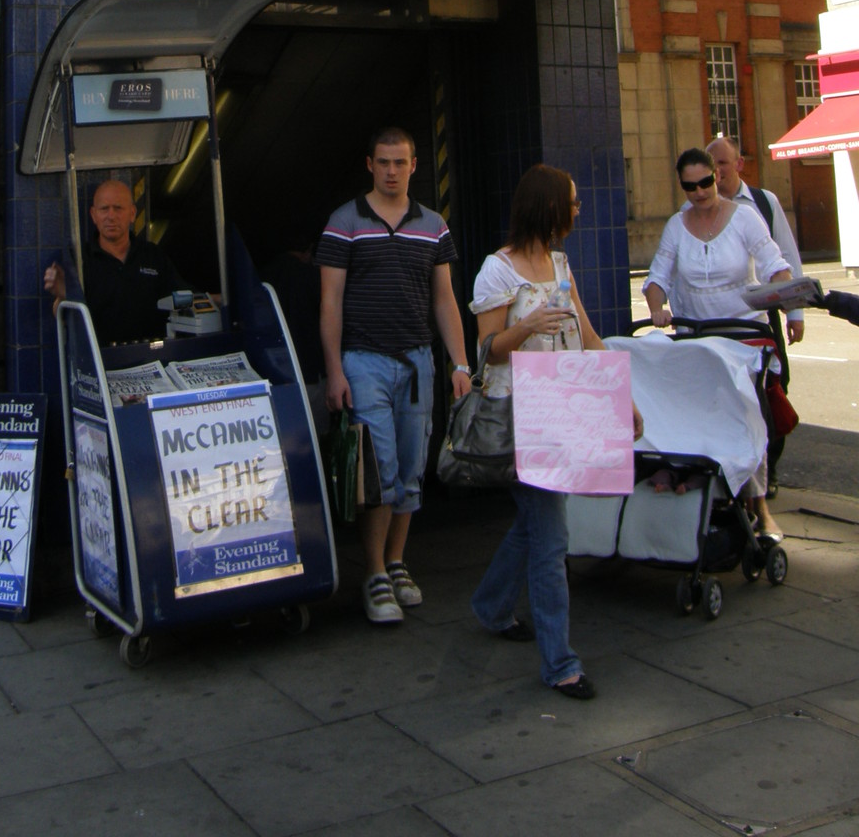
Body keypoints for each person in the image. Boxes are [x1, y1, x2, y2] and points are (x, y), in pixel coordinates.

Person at [469, 164, 642, 702]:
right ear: (548, 206)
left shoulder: (560, 264)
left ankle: (492, 606)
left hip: (562, 412)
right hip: (522, 417)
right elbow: (488, 350)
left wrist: (623, 399)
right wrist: (527, 325)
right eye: (572, 200)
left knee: (535, 524)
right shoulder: (496, 271)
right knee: (552, 538)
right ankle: (560, 664)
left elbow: (586, 334)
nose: (578, 208)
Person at [316, 127, 472, 625]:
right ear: (369, 164)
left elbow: (444, 299)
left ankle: (397, 561)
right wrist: (334, 370)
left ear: (413, 165)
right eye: (382, 162)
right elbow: (330, 303)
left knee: (410, 468)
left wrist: (460, 363)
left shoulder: (433, 225)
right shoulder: (344, 222)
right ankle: (376, 572)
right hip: (364, 362)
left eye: (398, 162)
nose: (390, 171)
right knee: (378, 470)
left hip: (418, 361)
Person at [643, 147, 791, 538]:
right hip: (697, 337)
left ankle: (758, 505)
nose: (699, 192)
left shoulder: (744, 218)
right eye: (689, 186)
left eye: (705, 182)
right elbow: (658, 275)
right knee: (690, 407)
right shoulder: (677, 225)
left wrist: (791, 303)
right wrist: (657, 307)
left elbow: (775, 264)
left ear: (717, 177)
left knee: (745, 416)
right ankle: (691, 477)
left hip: (742, 336)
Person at [706, 134, 804, 493]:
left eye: (722, 164)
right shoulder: (702, 208)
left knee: (774, 390)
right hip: (718, 321)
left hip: (763, 315)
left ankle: (769, 469)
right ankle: (736, 472)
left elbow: (788, 257)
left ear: (740, 164)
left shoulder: (764, 202)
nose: (716, 172)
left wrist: (796, 314)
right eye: (711, 165)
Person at [45, 178, 184, 343]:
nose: (111, 216)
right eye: (104, 209)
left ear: (132, 214)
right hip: (101, 362)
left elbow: (184, 297)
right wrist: (64, 295)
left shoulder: (152, 254)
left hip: (152, 357)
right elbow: (61, 315)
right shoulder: (79, 259)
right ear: (93, 215)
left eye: (118, 208)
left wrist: (220, 299)